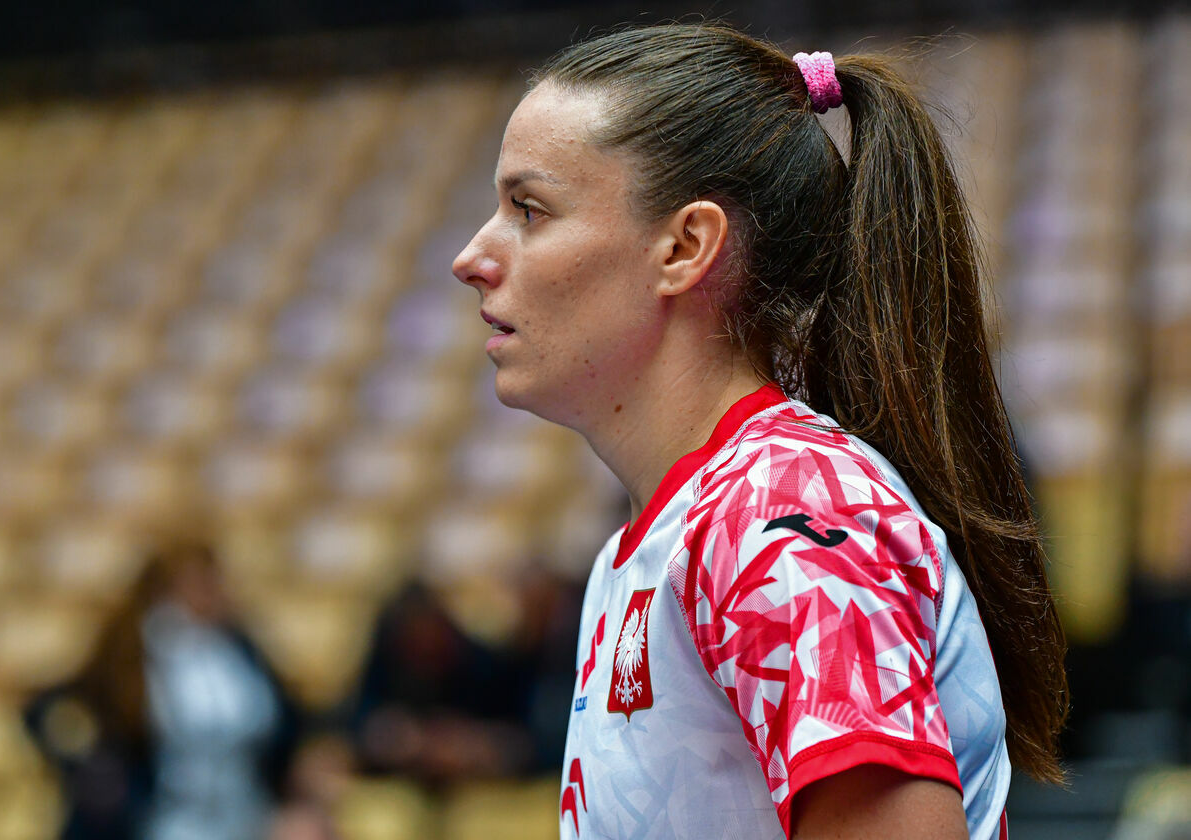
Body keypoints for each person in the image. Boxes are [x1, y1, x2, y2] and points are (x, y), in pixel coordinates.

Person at [451, 23, 1068, 840]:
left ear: (685, 246)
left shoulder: (781, 516)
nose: (472, 257)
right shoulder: (660, 540)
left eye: (529, 210)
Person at [24, 535, 299, 840]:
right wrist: (97, 771)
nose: (207, 594)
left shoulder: (239, 647)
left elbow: (286, 723)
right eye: (194, 584)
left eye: (211, 582)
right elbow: (58, 708)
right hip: (161, 818)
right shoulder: (132, 651)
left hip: (247, 811)